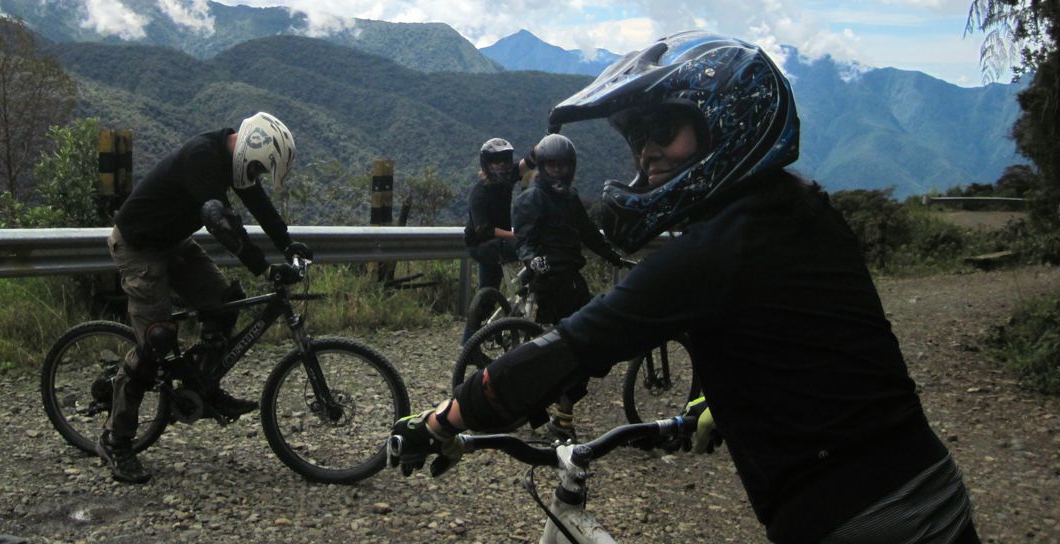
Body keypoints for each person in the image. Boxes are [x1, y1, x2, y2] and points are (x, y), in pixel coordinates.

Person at [389, 31, 980, 544]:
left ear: (727, 122)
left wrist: (442, 419)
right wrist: (725, 398)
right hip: (923, 489)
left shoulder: (716, 251)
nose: (646, 151)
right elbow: (811, 341)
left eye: (664, 129)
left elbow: (573, 346)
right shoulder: (803, 212)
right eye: (637, 137)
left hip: (860, 519)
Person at [99, 112, 310, 484]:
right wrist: (264, 268)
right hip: (139, 247)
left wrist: (289, 245)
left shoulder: (235, 163)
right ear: (250, 149)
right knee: (156, 340)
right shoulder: (203, 156)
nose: (257, 174)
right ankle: (116, 440)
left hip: (172, 242)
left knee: (224, 303)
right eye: (259, 168)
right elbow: (221, 223)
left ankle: (203, 386)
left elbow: (262, 208)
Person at [511, 131, 627, 439]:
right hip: (550, 283)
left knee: (580, 348)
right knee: (570, 349)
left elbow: (587, 232)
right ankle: (554, 416)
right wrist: (534, 261)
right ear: (542, 167)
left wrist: (612, 256)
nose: (558, 171)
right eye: (552, 165)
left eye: (563, 165)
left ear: (571, 166)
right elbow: (524, 240)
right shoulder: (532, 198)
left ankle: (560, 416)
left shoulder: (569, 197)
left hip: (572, 280)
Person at [463, 137, 522, 297]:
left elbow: (530, 161)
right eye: (496, 161)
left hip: (499, 241)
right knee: (526, 246)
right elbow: (484, 230)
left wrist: (550, 134)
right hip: (481, 245)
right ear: (487, 164)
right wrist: (515, 235)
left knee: (490, 293)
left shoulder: (506, 180)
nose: (502, 164)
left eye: (506, 160)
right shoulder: (479, 193)